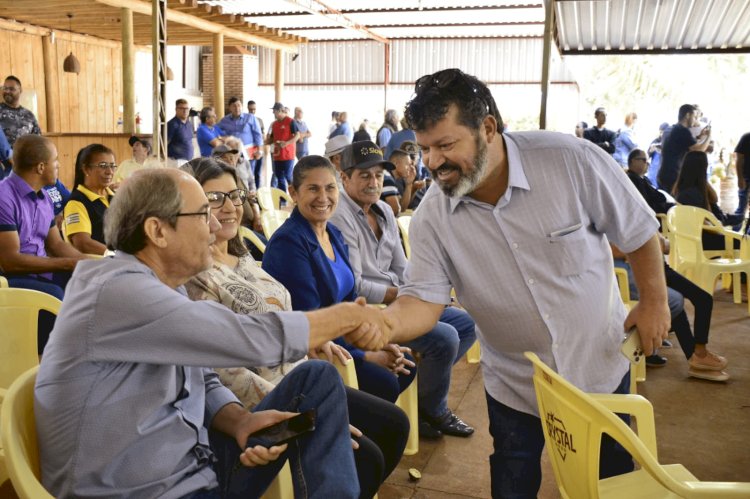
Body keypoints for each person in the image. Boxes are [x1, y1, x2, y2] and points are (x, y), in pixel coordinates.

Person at [379, 68, 671, 498]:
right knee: (513, 475)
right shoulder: (432, 219)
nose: (433, 163)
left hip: (598, 363)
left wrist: (654, 302)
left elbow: (639, 231)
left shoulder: (570, 160)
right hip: (516, 379)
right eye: (424, 149)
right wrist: (382, 325)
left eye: (445, 145)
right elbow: (423, 300)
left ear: (488, 128)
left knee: (609, 474)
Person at [35, 166, 393, 498]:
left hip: (197, 466)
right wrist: (346, 316)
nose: (213, 226)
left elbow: (202, 379)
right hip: (146, 490)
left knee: (318, 379)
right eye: (202, 214)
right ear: (157, 231)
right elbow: (246, 338)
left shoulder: (162, 286)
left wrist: (240, 420)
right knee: (348, 433)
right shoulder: (117, 292)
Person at [183, 157, 409, 497]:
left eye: (234, 195)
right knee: (368, 458)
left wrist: (307, 344)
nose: (229, 207)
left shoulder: (244, 257)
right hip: (267, 400)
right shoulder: (196, 276)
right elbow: (219, 369)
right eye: (214, 199)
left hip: (300, 373)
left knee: (394, 425)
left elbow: (276, 322)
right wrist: (299, 415)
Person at [331, 141, 477, 438]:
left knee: (465, 324)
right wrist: (403, 296)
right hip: (369, 309)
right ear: (344, 178)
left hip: (399, 300)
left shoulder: (384, 210)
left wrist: (422, 295)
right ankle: (435, 411)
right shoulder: (339, 217)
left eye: (378, 175)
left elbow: (402, 268)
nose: (373, 183)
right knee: (444, 339)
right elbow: (356, 284)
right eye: (364, 176)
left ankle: (422, 402)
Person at [262, 155, 417, 404]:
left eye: (330, 188)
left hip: (343, 338)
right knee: (386, 382)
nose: (323, 198)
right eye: (313, 188)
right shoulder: (289, 243)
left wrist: (375, 341)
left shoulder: (332, 233)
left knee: (405, 367)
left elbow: (351, 301)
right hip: (316, 350)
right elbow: (311, 319)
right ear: (293, 192)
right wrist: (364, 355)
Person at [0, 135, 87, 352]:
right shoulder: (4, 196)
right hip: (9, 277)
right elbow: (10, 262)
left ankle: (83, 354)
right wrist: (68, 264)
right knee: (53, 294)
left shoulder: (45, 197)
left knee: (91, 282)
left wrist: (88, 262)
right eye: (55, 160)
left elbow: (56, 245)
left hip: (39, 270)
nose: (59, 165)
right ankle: (47, 361)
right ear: (41, 167)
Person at [672, 150, 744, 250]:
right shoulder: (691, 195)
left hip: (700, 238)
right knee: (745, 243)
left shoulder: (684, 189)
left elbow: (714, 201)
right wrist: (723, 230)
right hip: (703, 240)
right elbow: (706, 223)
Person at [63, 144, 116, 255]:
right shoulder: (76, 203)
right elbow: (83, 243)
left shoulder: (116, 197)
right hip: (101, 266)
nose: (109, 171)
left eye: (112, 166)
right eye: (103, 166)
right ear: (86, 169)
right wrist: (113, 254)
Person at [657, 104, 712, 192]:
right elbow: (698, 150)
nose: (695, 121)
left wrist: (699, 137)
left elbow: (683, 143)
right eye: (694, 117)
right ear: (687, 115)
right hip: (673, 176)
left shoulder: (670, 129)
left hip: (662, 174)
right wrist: (709, 136)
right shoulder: (682, 130)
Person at [219, 97, 264, 171]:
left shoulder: (250, 118)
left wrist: (260, 151)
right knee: (235, 173)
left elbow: (257, 134)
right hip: (233, 153)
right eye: (234, 106)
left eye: (239, 105)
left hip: (249, 151)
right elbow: (216, 131)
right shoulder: (224, 120)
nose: (237, 108)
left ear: (242, 106)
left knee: (250, 175)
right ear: (229, 107)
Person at [266, 103, 299, 193]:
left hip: (288, 154)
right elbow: (272, 138)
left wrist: (286, 143)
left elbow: (297, 135)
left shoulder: (290, 121)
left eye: (274, 111)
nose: (273, 113)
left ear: (280, 110)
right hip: (277, 155)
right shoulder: (274, 124)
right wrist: (266, 141)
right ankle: (283, 199)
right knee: (279, 176)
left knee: (288, 176)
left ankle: (296, 195)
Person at [0, 75, 41, 146]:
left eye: (11, 89)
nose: (7, 91)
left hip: (24, 155)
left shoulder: (29, 115)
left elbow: (37, 140)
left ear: (20, 90)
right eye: (5, 88)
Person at [167, 98, 195, 162]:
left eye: (187, 108)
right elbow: (164, 144)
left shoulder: (189, 124)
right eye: (182, 108)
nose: (185, 111)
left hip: (189, 160)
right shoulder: (172, 124)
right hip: (176, 161)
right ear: (176, 109)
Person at [247, 100, 265, 189]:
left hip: (259, 150)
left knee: (258, 173)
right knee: (250, 174)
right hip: (250, 152)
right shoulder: (246, 120)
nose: (252, 111)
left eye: (254, 109)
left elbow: (263, 135)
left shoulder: (260, 120)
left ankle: (258, 192)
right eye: (251, 109)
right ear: (247, 109)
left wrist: (261, 150)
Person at [646, 122, 670, 186]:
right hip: (652, 174)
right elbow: (647, 156)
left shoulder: (670, 143)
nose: (661, 134)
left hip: (663, 174)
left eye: (663, 132)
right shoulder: (655, 141)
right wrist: (650, 151)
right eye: (660, 132)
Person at [735, 131, 750, 220]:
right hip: (746, 177)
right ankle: (734, 232)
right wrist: (740, 178)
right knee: (741, 208)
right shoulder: (746, 137)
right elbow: (739, 159)